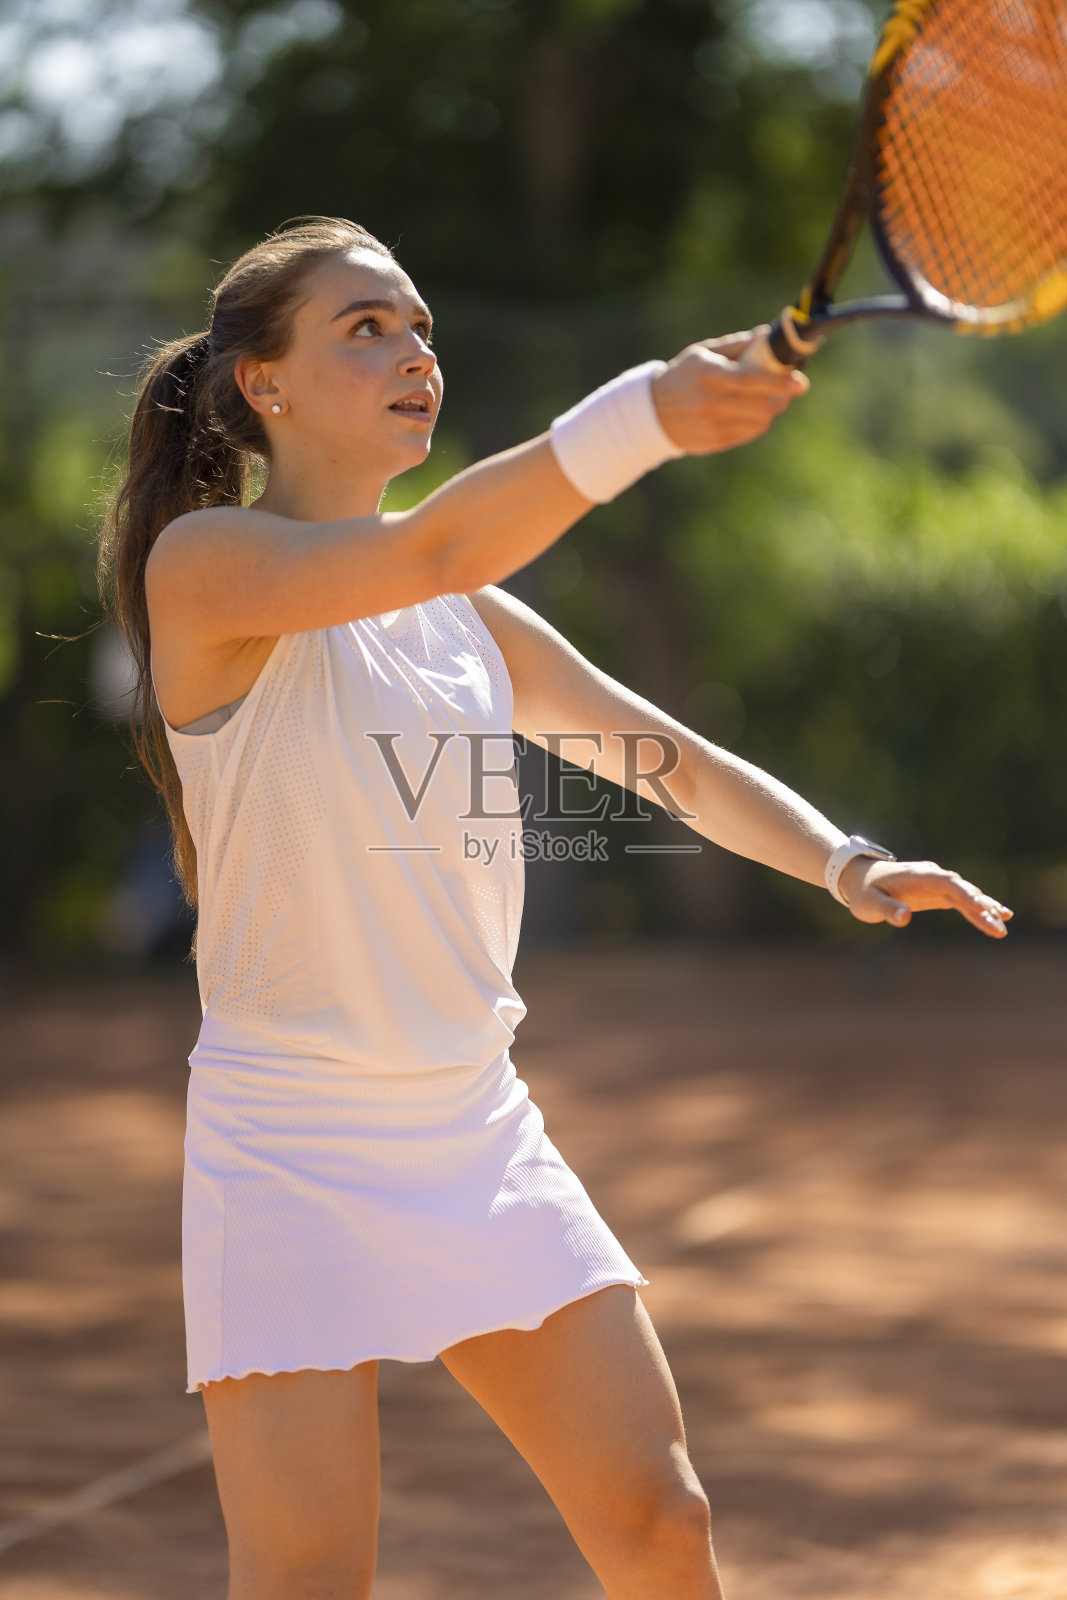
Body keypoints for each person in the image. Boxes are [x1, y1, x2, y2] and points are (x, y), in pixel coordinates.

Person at [97, 216, 1011, 1600]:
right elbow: (433, 549)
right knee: (307, 1576)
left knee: (662, 1524)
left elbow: (676, 762)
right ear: (260, 386)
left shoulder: (469, 618)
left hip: (476, 1129)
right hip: (284, 1143)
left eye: (420, 328)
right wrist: (645, 410)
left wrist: (847, 863)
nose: (414, 353)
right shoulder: (208, 566)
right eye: (366, 329)